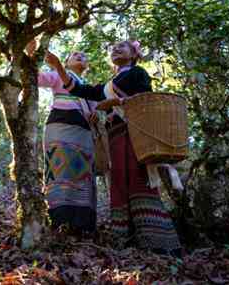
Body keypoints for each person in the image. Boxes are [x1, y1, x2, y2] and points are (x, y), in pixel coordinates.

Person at [45, 40, 183, 256]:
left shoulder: (138, 73)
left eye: (123, 47)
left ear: (134, 54)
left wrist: (116, 102)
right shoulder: (109, 84)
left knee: (138, 180)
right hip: (115, 137)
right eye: (113, 48)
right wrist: (59, 67)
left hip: (135, 134)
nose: (116, 49)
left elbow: (146, 100)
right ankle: (123, 238)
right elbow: (81, 90)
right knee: (119, 181)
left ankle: (156, 242)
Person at [26, 41, 97, 235]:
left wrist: (98, 113)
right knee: (59, 170)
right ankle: (59, 219)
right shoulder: (58, 75)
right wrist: (31, 51)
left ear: (87, 65)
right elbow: (36, 78)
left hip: (83, 133)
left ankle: (82, 223)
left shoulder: (87, 88)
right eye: (75, 55)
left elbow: (97, 110)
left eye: (83, 56)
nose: (80, 56)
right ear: (66, 63)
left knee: (82, 173)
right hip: (59, 127)